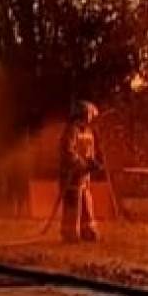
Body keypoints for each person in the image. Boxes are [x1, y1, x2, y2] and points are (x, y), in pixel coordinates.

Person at [59, 100, 102, 242]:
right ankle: (70, 233)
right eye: (90, 115)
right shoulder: (71, 130)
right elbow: (67, 151)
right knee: (73, 204)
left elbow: (89, 152)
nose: (92, 119)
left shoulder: (88, 132)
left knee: (86, 202)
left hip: (84, 176)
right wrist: (81, 164)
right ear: (85, 114)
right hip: (71, 176)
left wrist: (93, 162)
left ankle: (88, 231)